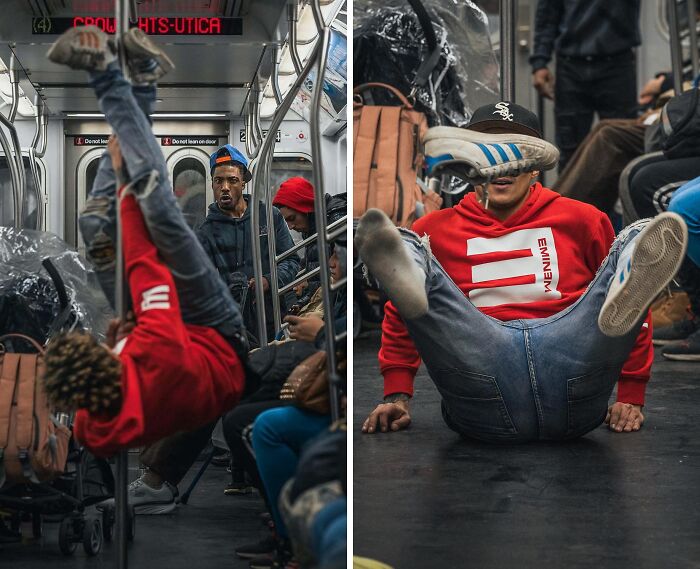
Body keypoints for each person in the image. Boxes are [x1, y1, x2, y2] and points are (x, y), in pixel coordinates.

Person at [356, 101, 688, 441]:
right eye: (488, 153)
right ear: (469, 164)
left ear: (534, 168)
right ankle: (410, 258)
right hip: (482, 381)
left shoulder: (582, 219)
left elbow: (631, 304)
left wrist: (631, 395)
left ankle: (635, 244)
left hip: (574, 376)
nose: (503, 165)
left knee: (633, 240)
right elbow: (400, 314)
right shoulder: (436, 228)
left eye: (514, 152)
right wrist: (396, 395)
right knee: (412, 244)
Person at [42, 26, 248, 455]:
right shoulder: (157, 351)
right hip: (216, 336)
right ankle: (107, 74)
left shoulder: (92, 425)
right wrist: (122, 179)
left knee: (94, 227)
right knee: (154, 201)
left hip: (170, 346)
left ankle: (147, 79)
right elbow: (143, 262)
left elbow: (121, 372)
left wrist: (121, 338)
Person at [196, 146, 300, 344]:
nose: (224, 187)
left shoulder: (269, 217)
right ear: (212, 184)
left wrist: (268, 281)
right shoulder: (206, 232)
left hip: (271, 314)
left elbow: (292, 261)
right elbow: (203, 283)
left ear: (243, 182)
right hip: (232, 320)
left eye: (232, 180)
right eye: (219, 181)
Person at [530, 0, 641, 170]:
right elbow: (548, 14)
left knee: (622, 145)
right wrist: (540, 62)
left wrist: (540, 61)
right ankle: (573, 197)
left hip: (616, 63)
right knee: (571, 152)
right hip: (572, 65)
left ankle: (617, 196)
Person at [272, 176, 347, 311]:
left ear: (305, 208)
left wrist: (308, 287)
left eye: (292, 218)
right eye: (286, 221)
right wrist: (301, 303)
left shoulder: (334, 221)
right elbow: (314, 272)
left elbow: (340, 275)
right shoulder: (312, 227)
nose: (290, 227)